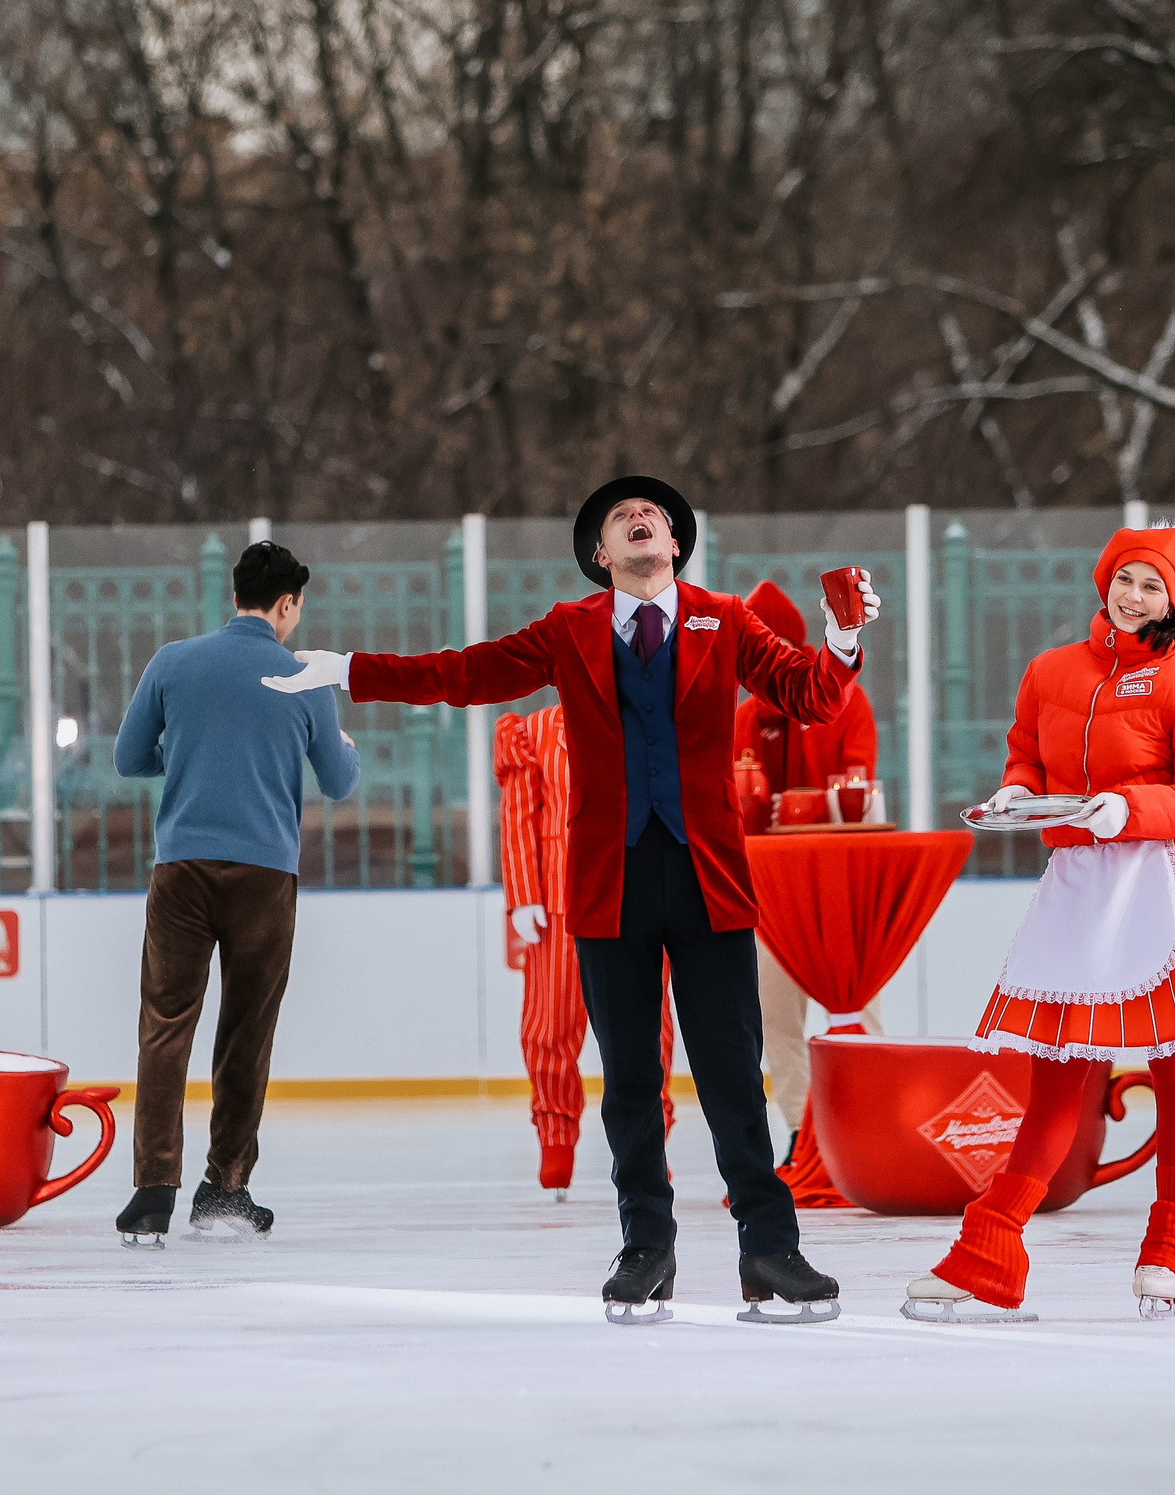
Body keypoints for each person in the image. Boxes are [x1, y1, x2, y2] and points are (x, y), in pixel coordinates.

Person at [266, 477, 880, 1324]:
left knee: (733, 1075)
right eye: (619, 517)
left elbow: (810, 694)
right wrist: (349, 670)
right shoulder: (570, 630)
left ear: (674, 544)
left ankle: (770, 1248)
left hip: (710, 884)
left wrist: (843, 636)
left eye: (653, 514)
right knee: (630, 1080)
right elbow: (468, 673)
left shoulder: (725, 618)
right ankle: (646, 1246)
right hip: (609, 883)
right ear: (601, 554)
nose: (638, 517)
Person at [902, 526, 1175, 1324]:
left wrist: (1130, 808)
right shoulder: (1050, 670)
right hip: (1078, 887)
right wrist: (1013, 798)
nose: (1135, 596)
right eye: (1126, 578)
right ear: (1106, 581)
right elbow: (1026, 756)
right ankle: (987, 1248)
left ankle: (1170, 1243)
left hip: (1159, 886)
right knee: (1059, 1076)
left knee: (1173, 1062)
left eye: (1152, 587)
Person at [112, 541, 361, 1243]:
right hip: (264, 877)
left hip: (181, 869)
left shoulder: (173, 661)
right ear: (286, 604)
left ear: (236, 595)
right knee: (245, 1032)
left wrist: (189, 754)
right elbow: (340, 781)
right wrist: (341, 740)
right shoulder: (302, 677)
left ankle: (152, 1190)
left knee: (165, 1024)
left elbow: (129, 757)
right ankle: (224, 1186)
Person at [496, 702, 676, 1197]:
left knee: (647, 1027)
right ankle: (555, 1134)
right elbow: (518, 815)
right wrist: (523, 896)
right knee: (548, 1024)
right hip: (558, 900)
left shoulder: (649, 723)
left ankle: (649, 1141)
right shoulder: (531, 733)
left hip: (633, 895)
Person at [731, 579, 883, 1154]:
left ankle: (858, 1124)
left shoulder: (840, 700)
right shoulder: (748, 716)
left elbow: (857, 789)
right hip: (776, 883)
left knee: (844, 1006)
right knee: (786, 1012)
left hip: (832, 877)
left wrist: (790, 807)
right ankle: (806, 1131)